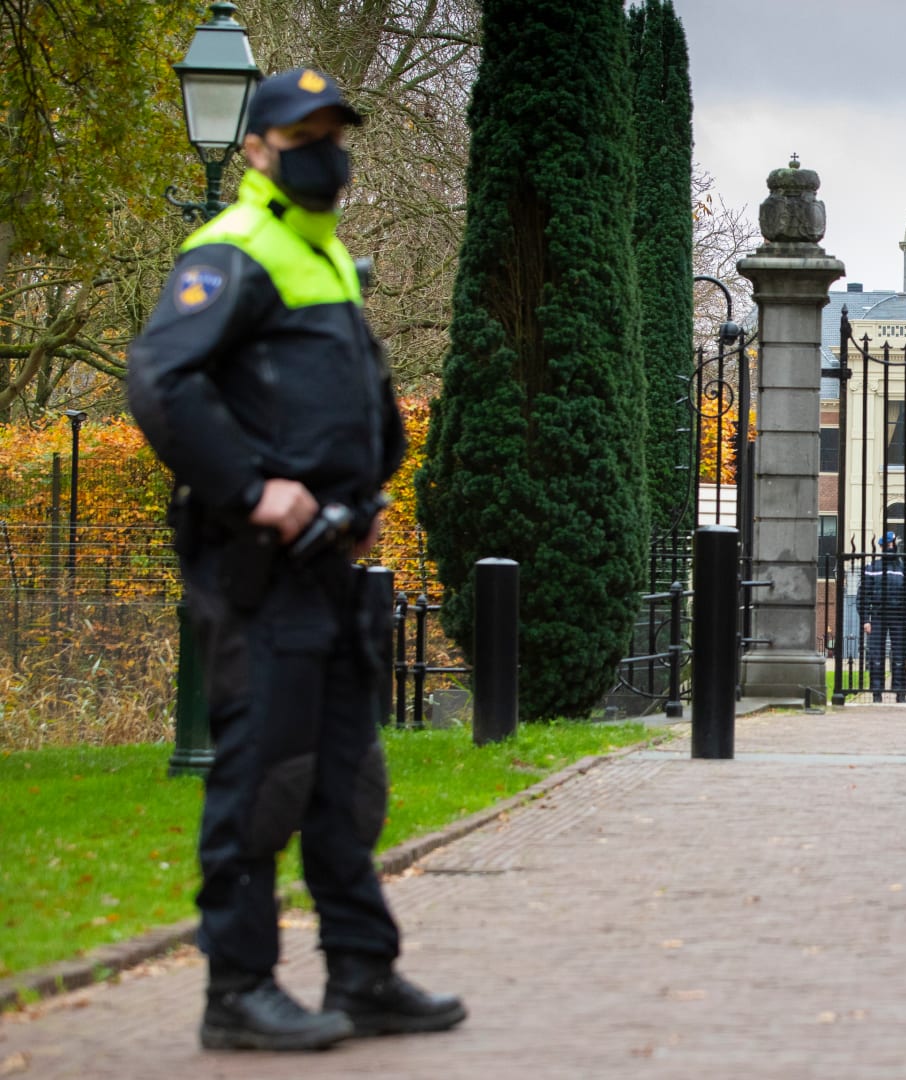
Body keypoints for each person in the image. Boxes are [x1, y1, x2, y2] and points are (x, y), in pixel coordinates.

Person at [127, 68, 465, 1052]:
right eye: (300, 133)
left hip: (329, 567)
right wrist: (253, 491)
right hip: (257, 568)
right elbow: (163, 385)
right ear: (256, 151)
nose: (323, 149)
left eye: (332, 132)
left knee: (345, 784)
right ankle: (237, 990)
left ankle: (364, 973)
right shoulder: (230, 254)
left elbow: (351, 409)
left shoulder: (327, 262)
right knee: (262, 778)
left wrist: (369, 493)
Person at [857, 531, 906, 702]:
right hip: (878, 616)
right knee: (876, 656)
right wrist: (865, 620)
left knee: (900, 656)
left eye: (890, 544)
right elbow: (863, 596)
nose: (888, 548)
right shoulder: (872, 569)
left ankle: (900, 693)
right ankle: (877, 693)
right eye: (886, 545)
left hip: (899, 616)